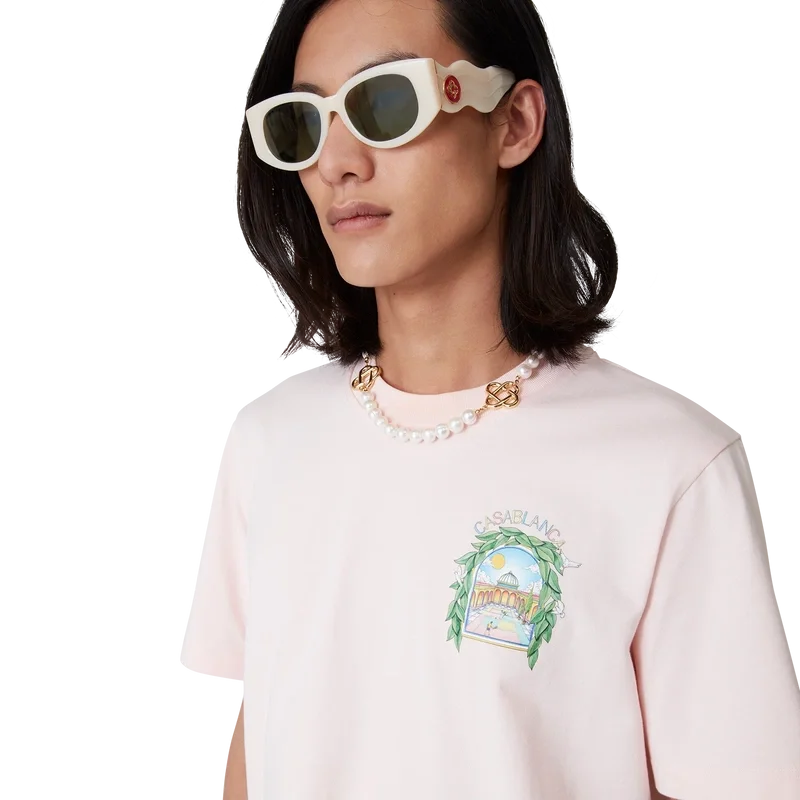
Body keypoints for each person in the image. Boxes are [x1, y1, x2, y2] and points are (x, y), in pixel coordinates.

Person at [182, 1, 800, 798]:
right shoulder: (269, 441)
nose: (337, 162)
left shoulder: (667, 463)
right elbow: (257, 742)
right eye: (302, 123)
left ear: (514, 123)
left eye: (385, 104)